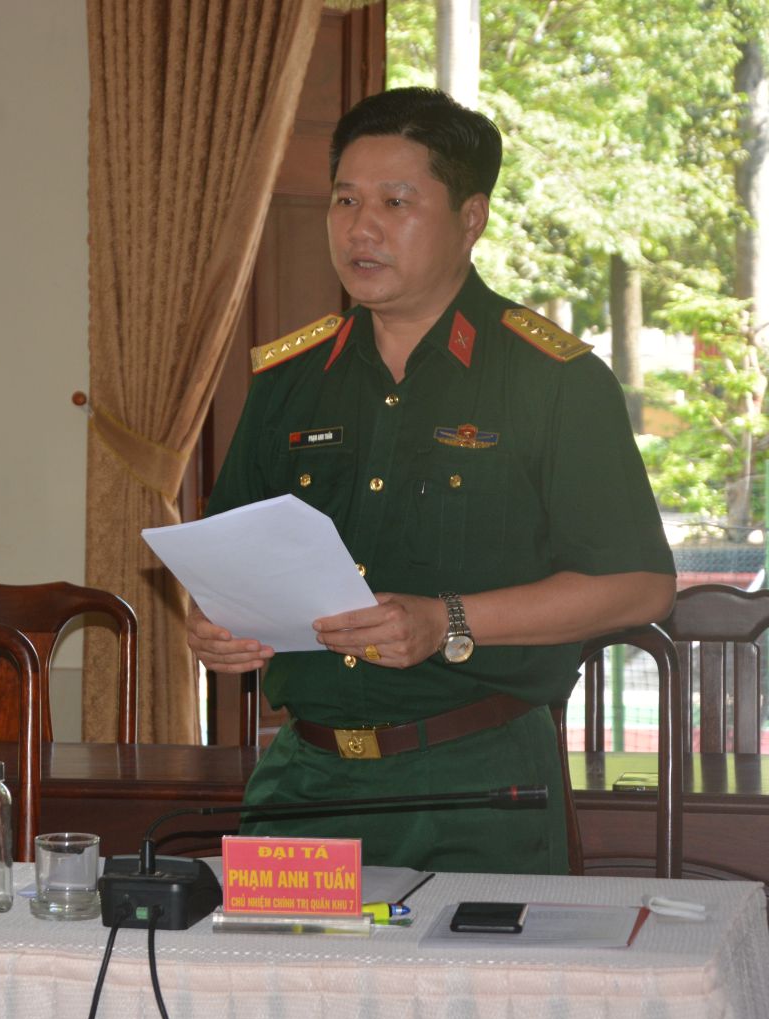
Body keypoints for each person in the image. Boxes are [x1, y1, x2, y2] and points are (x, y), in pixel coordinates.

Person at [187, 87, 675, 874]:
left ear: (471, 218)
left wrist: (447, 619)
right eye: (345, 199)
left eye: (395, 202)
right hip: (303, 780)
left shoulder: (551, 380)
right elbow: (227, 563)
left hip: (476, 782)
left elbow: (640, 586)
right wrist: (214, 623)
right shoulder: (290, 379)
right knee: (267, 962)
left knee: (471, 965)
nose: (360, 227)